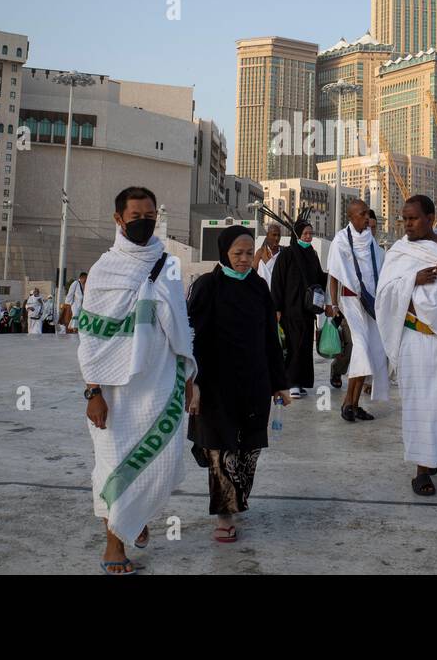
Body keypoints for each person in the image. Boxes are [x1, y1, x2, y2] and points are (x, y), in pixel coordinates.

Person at [80, 186, 197, 575]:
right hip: (113, 388)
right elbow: (91, 336)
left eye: (150, 217)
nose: (144, 223)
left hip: (159, 382)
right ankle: (115, 544)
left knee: (161, 459)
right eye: (136, 218)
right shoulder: (103, 270)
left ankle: (135, 515)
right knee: (112, 465)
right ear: (118, 220)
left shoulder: (168, 265)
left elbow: (180, 326)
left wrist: (189, 375)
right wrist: (93, 391)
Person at [187, 225, 292, 542]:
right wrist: (195, 384)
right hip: (216, 384)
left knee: (247, 452)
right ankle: (224, 515)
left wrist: (280, 382)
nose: (245, 259)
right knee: (222, 452)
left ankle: (236, 501)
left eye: (249, 253)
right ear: (224, 253)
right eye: (238, 254)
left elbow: (271, 340)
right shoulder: (207, 286)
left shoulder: (259, 288)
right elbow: (194, 340)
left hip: (254, 383)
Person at [375, 195, 437, 497]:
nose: (407, 224)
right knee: (420, 405)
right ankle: (421, 472)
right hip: (415, 339)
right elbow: (384, 294)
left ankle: (432, 459)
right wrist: (412, 280)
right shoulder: (400, 251)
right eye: (404, 219)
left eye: (413, 218)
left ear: (430, 218)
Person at [327, 198, 387, 422]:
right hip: (351, 303)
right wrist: (333, 304)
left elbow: (379, 271)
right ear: (351, 217)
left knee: (370, 352)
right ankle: (347, 403)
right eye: (362, 214)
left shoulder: (371, 243)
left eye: (367, 214)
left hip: (371, 305)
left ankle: (353, 404)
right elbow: (334, 274)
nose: (366, 218)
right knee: (361, 348)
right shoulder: (341, 241)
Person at [270, 219, 328, 398]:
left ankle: (300, 381)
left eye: (311, 233)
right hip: (290, 308)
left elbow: (319, 278)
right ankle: (291, 382)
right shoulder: (287, 254)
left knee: (304, 346)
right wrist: (277, 308)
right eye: (305, 234)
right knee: (293, 344)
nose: (309, 237)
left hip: (307, 309)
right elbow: (277, 282)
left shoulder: (312, 254)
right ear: (297, 235)